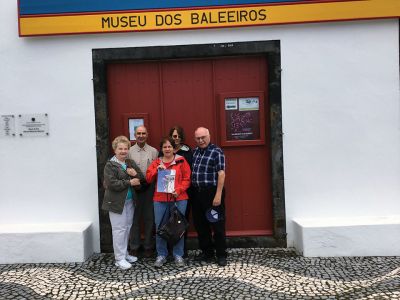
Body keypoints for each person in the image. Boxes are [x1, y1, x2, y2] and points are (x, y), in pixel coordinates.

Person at [146, 137, 191, 267]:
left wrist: (179, 189)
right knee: (160, 227)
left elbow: (187, 179)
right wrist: (156, 170)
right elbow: (148, 179)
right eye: (165, 147)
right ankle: (161, 255)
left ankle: (178, 255)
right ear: (161, 149)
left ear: (173, 148)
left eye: (169, 147)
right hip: (160, 200)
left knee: (178, 228)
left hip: (179, 198)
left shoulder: (181, 161)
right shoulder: (156, 163)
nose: (167, 149)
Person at [102, 136, 144, 270]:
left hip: (129, 201)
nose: (123, 151)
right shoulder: (110, 165)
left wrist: (134, 174)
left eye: (126, 149)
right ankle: (119, 258)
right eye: (120, 148)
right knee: (119, 230)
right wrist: (129, 181)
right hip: (115, 202)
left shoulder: (129, 162)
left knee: (127, 227)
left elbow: (141, 178)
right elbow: (111, 184)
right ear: (115, 150)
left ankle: (125, 253)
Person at [191, 127, 227, 267]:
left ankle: (221, 255)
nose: (201, 140)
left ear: (209, 136)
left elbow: (221, 174)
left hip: (212, 193)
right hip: (197, 193)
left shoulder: (216, 151)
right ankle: (207, 253)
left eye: (203, 137)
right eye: (198, 138)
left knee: (217, 225)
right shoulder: (195, 153)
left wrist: (218, 195)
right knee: (201, 225)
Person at [128, 126, 158, 258]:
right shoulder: (128, 152)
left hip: (149, 188)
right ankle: (134, 246)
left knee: (149, 217)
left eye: (143, 133)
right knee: (134, 218)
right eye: (138, 133)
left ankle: (148, 246)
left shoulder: (154, 151)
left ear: (147, 134)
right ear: (134, 135)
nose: (141, 135)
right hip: (133, 188)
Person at [169, 125, 193, 257]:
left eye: (178, 135)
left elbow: (189, 172)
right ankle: (169, 249)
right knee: (168, 221)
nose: (176, 138)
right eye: (174, 136)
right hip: (168, 192)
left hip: (184, 191)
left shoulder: (187, 151)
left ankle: (181, 250)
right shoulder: (166, 150)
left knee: (181, 220)